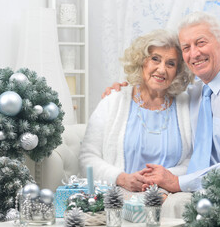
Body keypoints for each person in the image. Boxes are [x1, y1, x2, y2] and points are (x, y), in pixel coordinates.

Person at [104, 12, 220, 194]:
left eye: (201, 43)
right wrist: (123, 91)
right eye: (186, 47)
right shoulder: (193, 93)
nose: (194, 53)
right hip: (199, 195)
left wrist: (177, 183)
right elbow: (155, 90)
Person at [79, 29, 193, 193]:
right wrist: (122, 178)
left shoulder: (187, 106)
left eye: (170, 63)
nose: (161, 69)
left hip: (167, 199)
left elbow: (194, 160)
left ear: (178, 71)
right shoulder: (113, 101)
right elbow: (87, 158)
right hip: (116, 198)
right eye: (155, 59)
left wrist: (165, 178)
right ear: (141, 61)